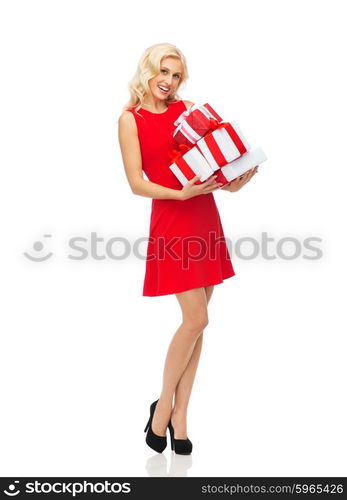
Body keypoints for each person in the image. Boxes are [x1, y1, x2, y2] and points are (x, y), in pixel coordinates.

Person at [118, 42, 258, 455]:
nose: (169, 81)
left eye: (176, 75)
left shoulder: (188, 111)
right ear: (146, 71)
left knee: (200, 323)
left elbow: (213, 170)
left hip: (204, 217)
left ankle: (180, 415)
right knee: (195, 319)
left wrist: (236, 180)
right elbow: (136, 182)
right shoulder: (130, 120)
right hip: (173, 218)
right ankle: (163, 408)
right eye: (163, 71)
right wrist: (180, 195)